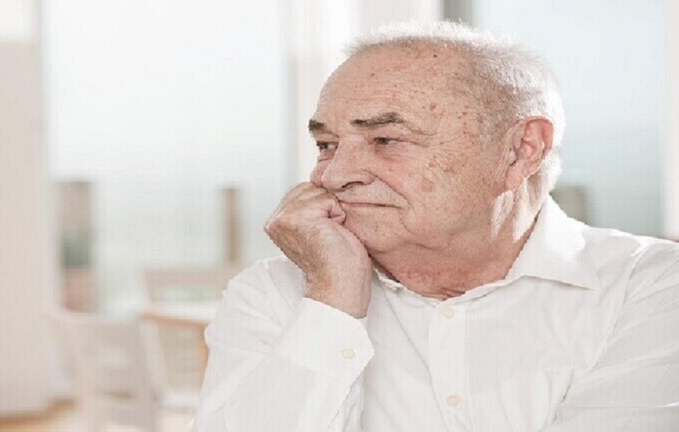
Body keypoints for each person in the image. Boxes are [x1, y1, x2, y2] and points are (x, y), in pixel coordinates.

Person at [192, 22, 679, 431]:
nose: (334, 175)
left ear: (521, 150)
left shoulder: (650, 286)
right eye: (326, 145)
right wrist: (330, 303)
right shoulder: (273, 295)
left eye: (385, 140)